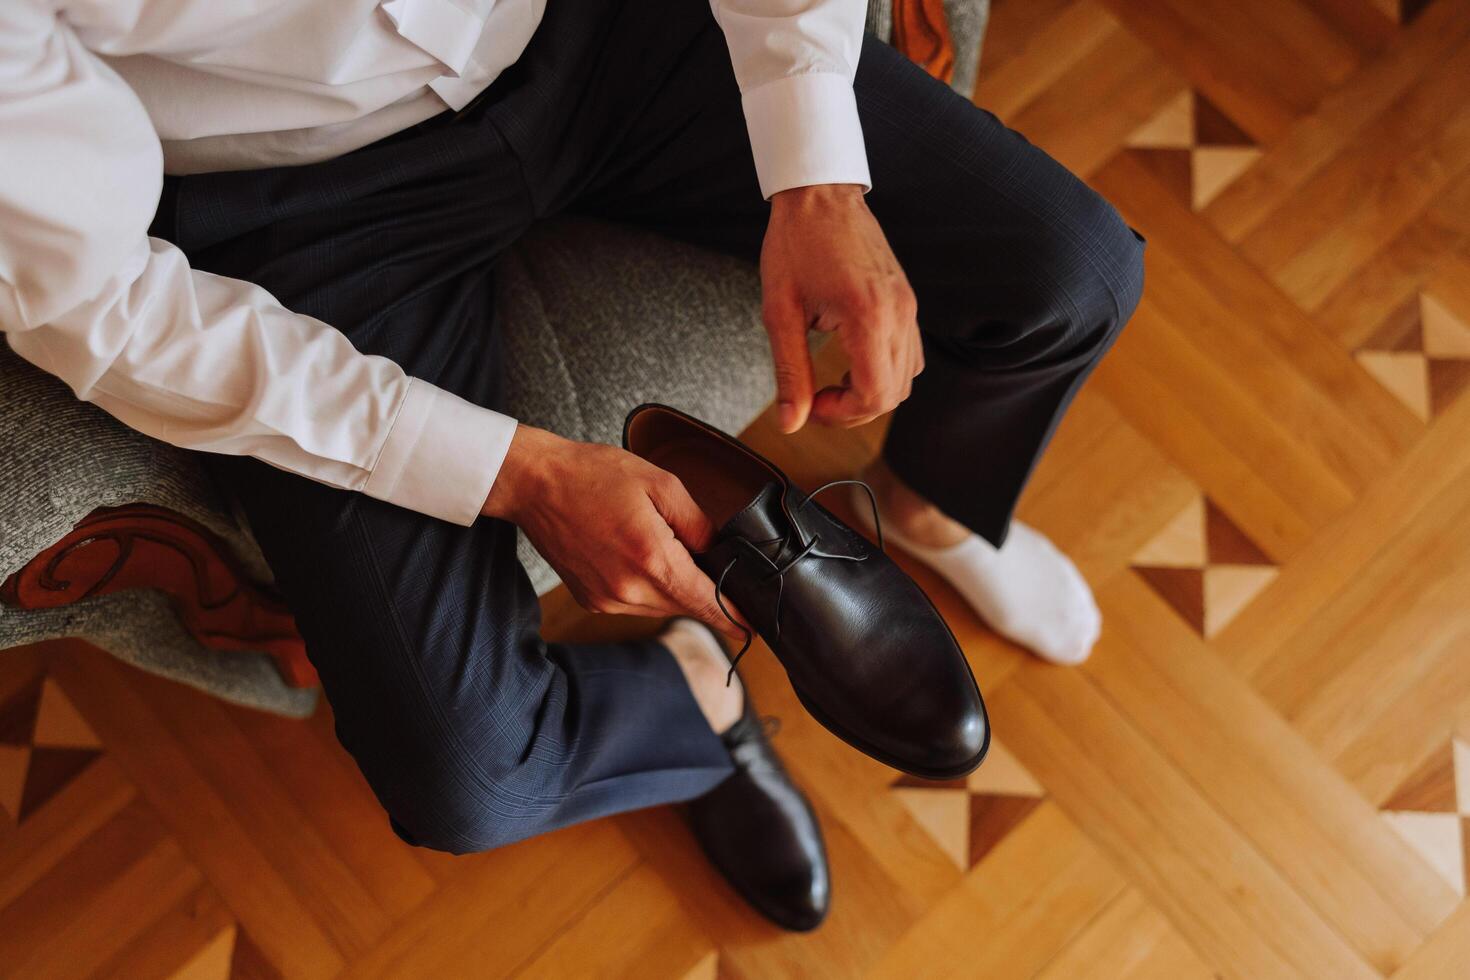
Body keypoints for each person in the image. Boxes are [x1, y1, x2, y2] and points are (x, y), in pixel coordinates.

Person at [1, 0, 1143, 924]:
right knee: (473, 775)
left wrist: (818, 174)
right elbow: (103, 303)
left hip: (605, 29)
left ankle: (933, 510)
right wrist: (521, 471)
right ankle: (698, 697)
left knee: (1075, 275)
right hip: (303, 211)